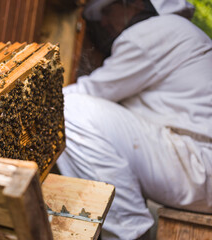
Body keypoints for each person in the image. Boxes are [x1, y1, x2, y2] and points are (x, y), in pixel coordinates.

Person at [57, 0, 212, 239]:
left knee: (70, 111)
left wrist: (37, 99)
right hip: (196, 165)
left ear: (135, 4)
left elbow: (95, 91)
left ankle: (127, 233)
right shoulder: (179, 31)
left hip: (198, 166)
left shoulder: (158, 31)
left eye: (108, 11)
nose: (105, 22)